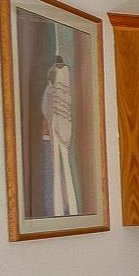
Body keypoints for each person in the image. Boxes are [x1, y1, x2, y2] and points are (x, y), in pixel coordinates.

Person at [41, 54, 83, 216]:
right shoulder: (66, 78)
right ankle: (71, 211)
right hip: (65, 125)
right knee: (63, 167)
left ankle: (62, 211)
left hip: (57, 124)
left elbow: (46, 106)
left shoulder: (53, 80)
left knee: (58, 168)